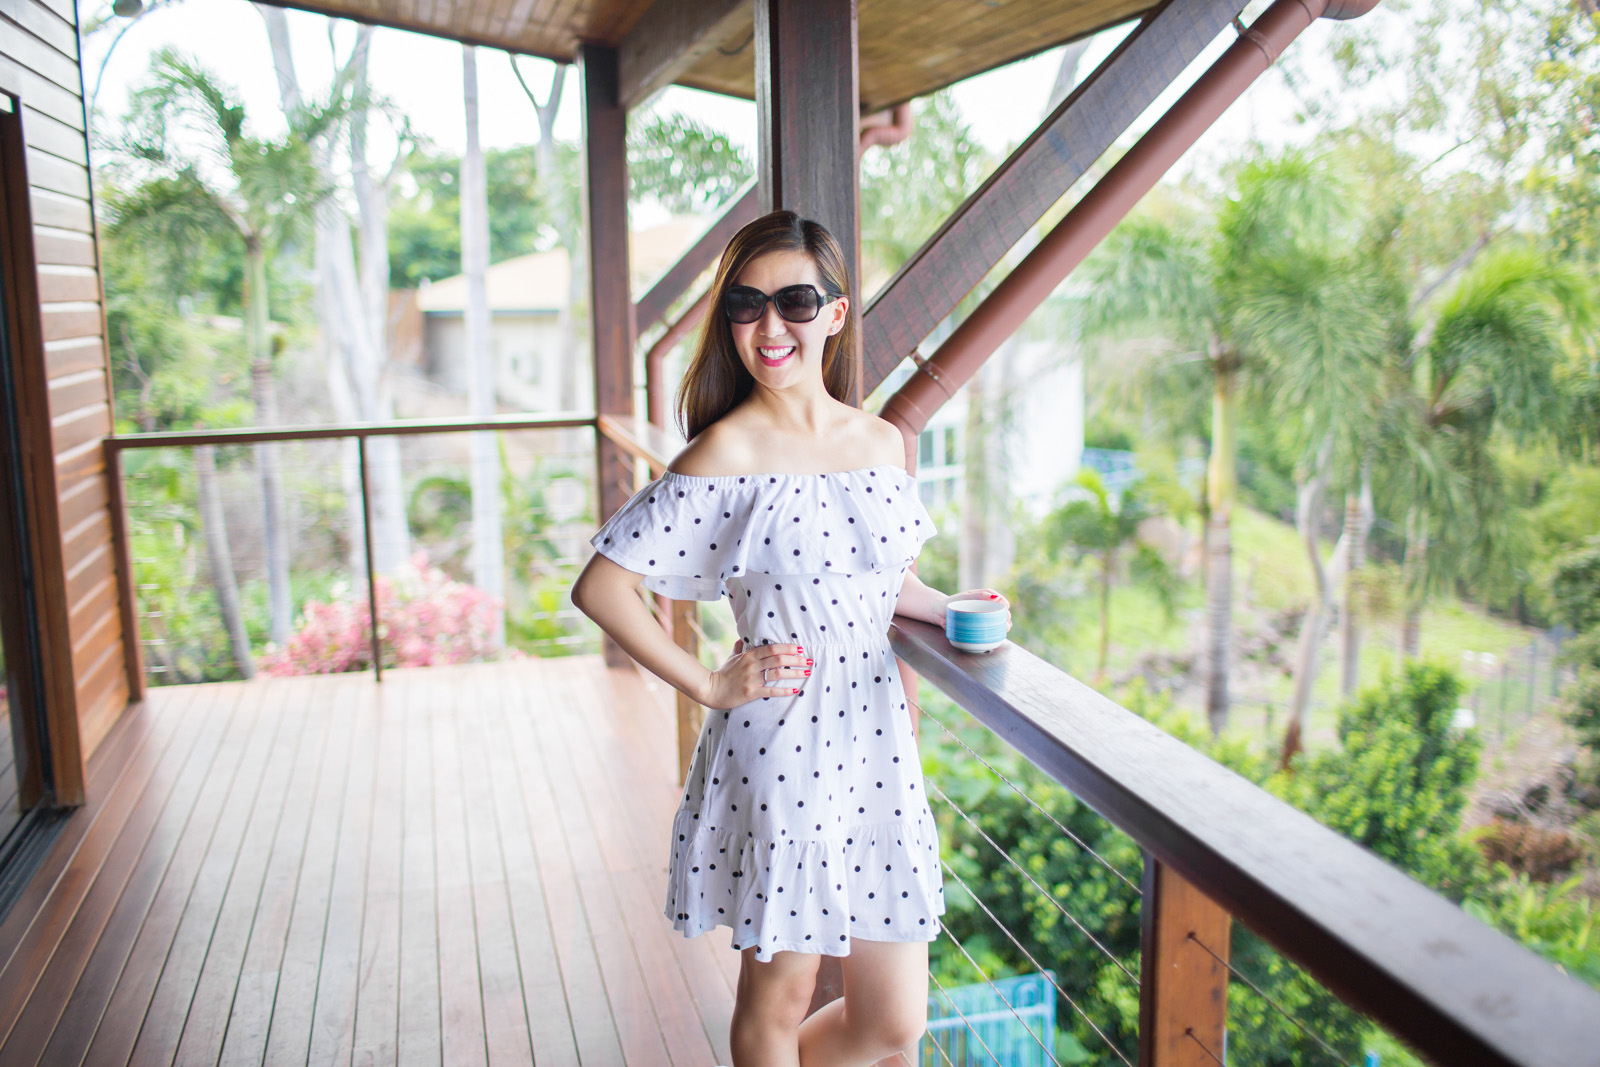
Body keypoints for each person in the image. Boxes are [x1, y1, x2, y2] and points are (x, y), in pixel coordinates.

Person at [571, 210, 1011, 1067]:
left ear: (836, 314)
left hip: (878, 745)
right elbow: (603, 587)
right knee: (780, 999)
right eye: (746, 303)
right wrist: (708, 685)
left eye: (795, 301)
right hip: (783, 742)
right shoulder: (724, 453)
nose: (770, 325)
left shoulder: (882, 442)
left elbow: (881, 586)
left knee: (894, 1022)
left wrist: (951, 605)